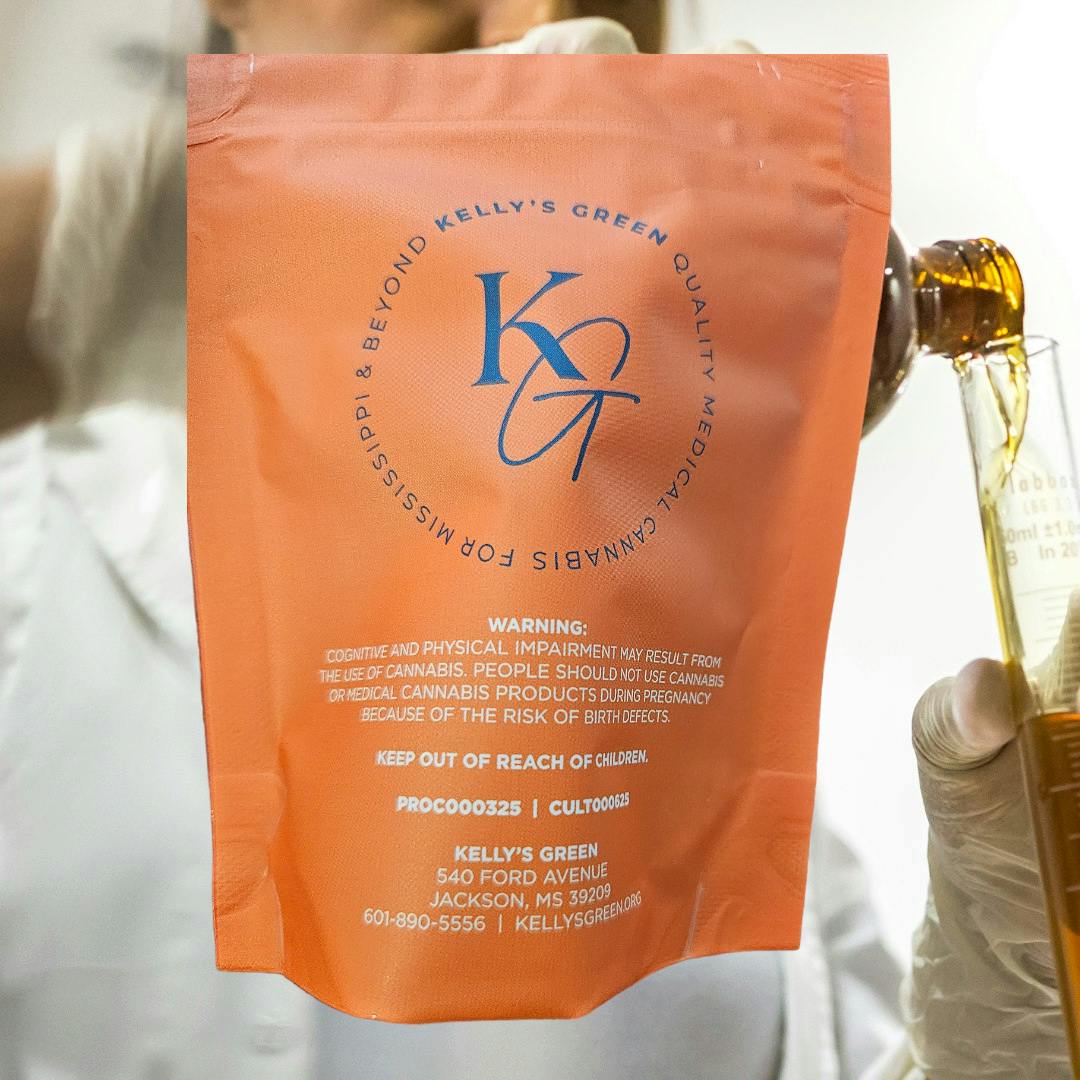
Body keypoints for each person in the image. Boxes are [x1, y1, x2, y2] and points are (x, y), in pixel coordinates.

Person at [0, 2, 1072, 1077]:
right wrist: (91, 268)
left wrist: (996, 1022)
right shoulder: (35, 530)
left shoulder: (691, 708)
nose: (532, 21)